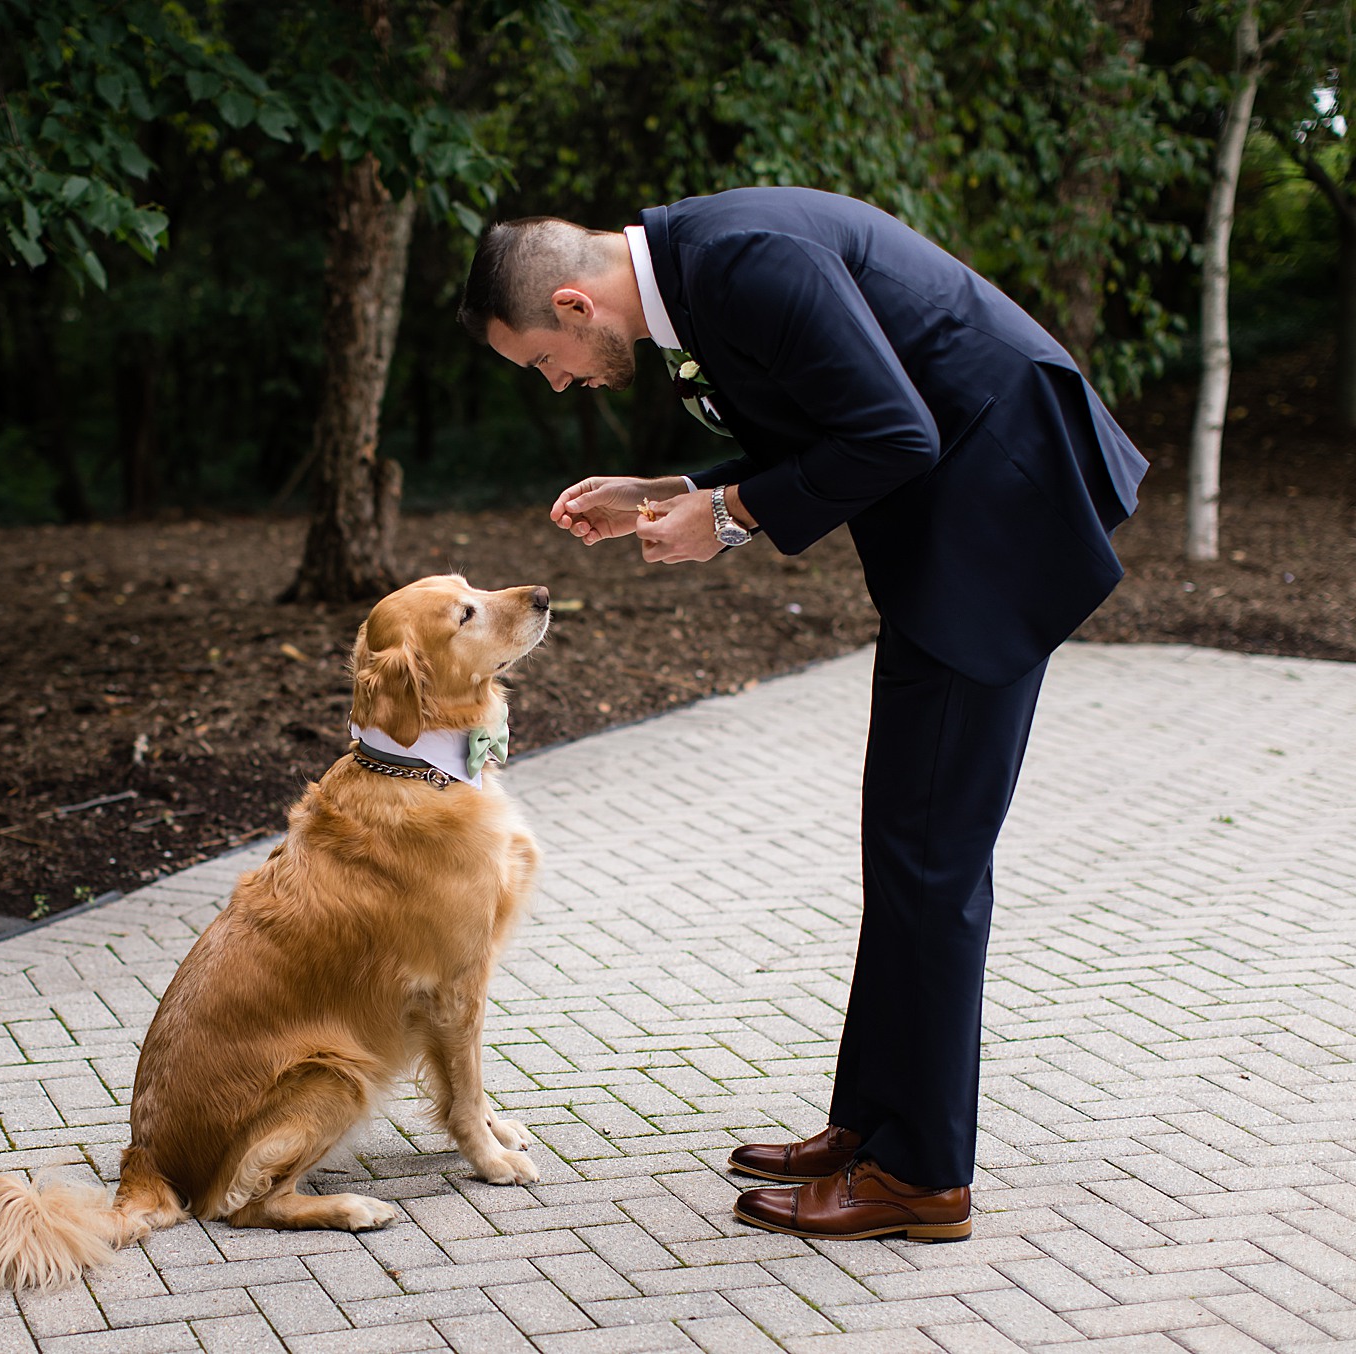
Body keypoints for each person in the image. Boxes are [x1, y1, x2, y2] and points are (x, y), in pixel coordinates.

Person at [456, 187, 1146, 1242]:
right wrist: (668, 486)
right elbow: (829, 426)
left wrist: (726, 517)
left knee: (932, 858)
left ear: (573, 304)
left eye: (543, 359)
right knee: (903, 846)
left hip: (998, 522)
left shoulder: (742, 264)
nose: (555, 382)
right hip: (956, 521)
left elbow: (891, 432)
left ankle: (921, 1176)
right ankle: (873, 1124)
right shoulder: (698, 272)